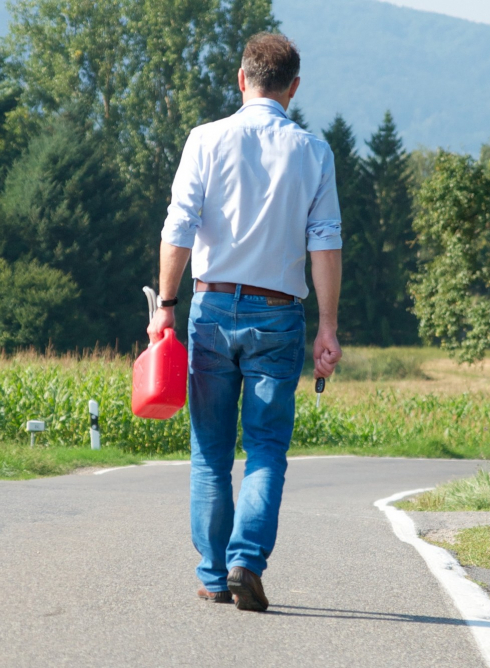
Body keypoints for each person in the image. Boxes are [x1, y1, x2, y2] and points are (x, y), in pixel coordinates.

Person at [147, 32, 343, 612]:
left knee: (210, 452)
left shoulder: (204, 140)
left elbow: (178, 227)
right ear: (294, 89)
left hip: (209, 310)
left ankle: (212, 574)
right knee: (264, 449)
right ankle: (244, 562)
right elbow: (325, 243)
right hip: (279, 316)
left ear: (241, 79)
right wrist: (327, 326)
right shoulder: (314, 152)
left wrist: (166, 308)